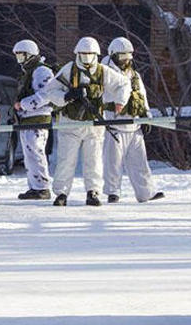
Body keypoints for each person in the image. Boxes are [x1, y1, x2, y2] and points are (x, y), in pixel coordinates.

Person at [42, 36, 130, 207]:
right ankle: (61, 193)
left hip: (94, 125)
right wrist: (66, 96)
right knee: (66, 160)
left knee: (94, 160)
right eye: (83, 53)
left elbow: (123, 84)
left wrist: (120, 101)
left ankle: (93, 192)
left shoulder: (103, 71)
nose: (87, 57)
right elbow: (50, 91)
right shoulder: (69, 70)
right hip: (70, 123)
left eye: (90, 54)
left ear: (96, 54)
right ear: (78, 54)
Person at [101, 37, 164, 203]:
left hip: (134, 125)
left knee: (139, 162)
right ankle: (112, 192)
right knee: (112, 163)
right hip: (114, 125)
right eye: (122, 57)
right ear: (114, 56)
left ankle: (146, 193)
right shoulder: (105, 74)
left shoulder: (134, 75)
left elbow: (142, 96)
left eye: (128, 57)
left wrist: (147, 116)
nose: (126, 61)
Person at [12, 39, 54, 200]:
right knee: (29, 154)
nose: (18, 59)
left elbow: (45, 95)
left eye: (20, 55)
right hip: (28, 119)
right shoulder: (29, 72)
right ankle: (35, 186)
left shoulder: (42, 72)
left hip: (38, 118)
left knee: (36, 152)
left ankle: (42, 187)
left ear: (29, 54)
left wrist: (23, 104)